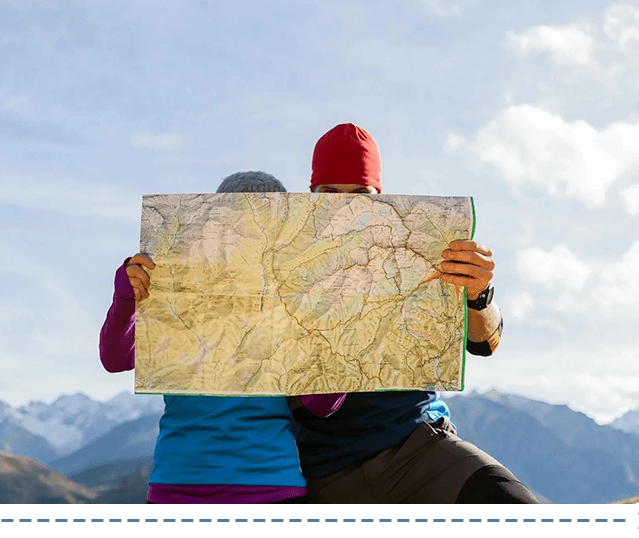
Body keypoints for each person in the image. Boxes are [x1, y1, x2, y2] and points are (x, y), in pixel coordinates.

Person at [288, 123, 541, 504]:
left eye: (360, 194)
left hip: (419, 447)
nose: (345, 207)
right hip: (323, 472)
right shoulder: (280, 260)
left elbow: (484, 344)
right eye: (330, 194)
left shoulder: (419, 247)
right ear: (312, 196)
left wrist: (479, 293)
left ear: (379, 196)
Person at [99, 170, 343, 505]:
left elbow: (323, 404)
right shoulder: (174, 290)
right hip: (177, 488)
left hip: (271, 488)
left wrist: (329, 328)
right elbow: (115, 359)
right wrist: (126, 298)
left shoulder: (292, 302)